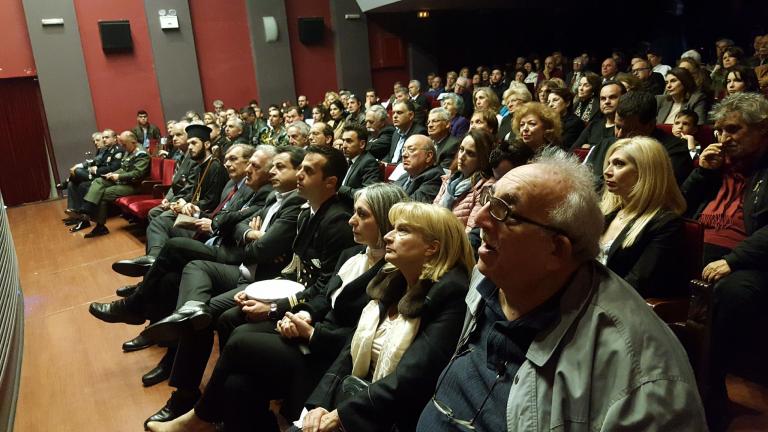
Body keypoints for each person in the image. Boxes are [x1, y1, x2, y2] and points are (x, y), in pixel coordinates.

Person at [416, 149, 706, 431]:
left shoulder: (642, 380)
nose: (480, 219)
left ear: (556, 249)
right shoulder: (489, 271)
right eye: (488, 200)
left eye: (505, 212)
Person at [145, 184, 408, 432]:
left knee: (239, 339)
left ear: (385, 221)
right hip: (312, 331)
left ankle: (198, 417)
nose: (352, 220)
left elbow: (362, 337)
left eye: (362, 214)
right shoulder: (351, 254)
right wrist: (302, 314)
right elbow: (322, 296)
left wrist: (311, 333)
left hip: (330, 356)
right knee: (238, 383)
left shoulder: (394, 273)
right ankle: (218, 414)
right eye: (354, 213)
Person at [294, 202, 474, 432]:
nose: (388, 236)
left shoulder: (450, 295)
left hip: (389, 419)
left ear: (432, 247)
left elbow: (412, 378)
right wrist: (321, 404)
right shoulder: (391, 282)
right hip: (354, 403)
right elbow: (349, 351)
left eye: (402, 230)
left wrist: (341, 416)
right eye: (393, 228)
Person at [680, 93, 768, 431]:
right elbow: (678, 205)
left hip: (747, 260)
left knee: (731, 290)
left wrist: (734, 260)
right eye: (719, 131)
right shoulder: (717, 165)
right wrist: (702, 173)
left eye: (733, 129)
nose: (724, 138)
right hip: (699, 246)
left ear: (762, 129)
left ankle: (709, 391)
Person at [599, 136, 688, 297]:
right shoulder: (608, 212)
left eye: (619, 164)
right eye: (609, 163)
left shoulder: (666, 224)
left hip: (618, 304)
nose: (607, 171)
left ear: (646, 172)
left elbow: (637, 283)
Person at [589, 90, 692, 187]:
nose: (619, 135)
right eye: (617, 126)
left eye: (628, 130)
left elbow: (656, 192)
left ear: (650, 125)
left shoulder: (674, 152)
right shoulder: (605, 144)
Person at [72, 131, 150, 237]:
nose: (123, 147)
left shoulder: (141, 154)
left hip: (135, 185)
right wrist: (113, 174)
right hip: (125, 181)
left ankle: (100, 226)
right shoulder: (129, 150)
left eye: (124, 144)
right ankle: (86, 208)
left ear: (133, 142)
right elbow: (123, 168)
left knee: (103, 193)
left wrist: (118, 176)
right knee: (99, 181)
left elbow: (137, 173)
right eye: (122, 144)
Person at [434, 129, 495, 231]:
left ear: (482, 159)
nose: (461, 156)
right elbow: (432, 213)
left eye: (470, 153)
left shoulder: (486, 188)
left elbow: (470, 232)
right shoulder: (449, 180)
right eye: (461, 149)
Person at [62, 130, 123, 226]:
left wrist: (96, 170)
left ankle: (83, 215)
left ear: (115, 139)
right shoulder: (107, 150)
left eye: (106, 137)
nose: (104, 139)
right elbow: (97, 162)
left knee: (78, 173)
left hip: (107, 178)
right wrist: (93, 168)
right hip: (99, 176)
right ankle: (76, 214)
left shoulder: (118, 150)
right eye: (103, 138)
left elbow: (113, 168)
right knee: (73, 184)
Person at [570, 81, 626, 150]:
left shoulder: (626, 127)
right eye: (603, 98)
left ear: (624, 98)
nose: (607, 102)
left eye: (612, 97)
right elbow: (573, 150)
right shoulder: (593, 125)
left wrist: (591, 147)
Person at [394, 135, 444, 203]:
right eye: (403, 150)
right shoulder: (405, 176)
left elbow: (411, 205)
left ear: (428, 156)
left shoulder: (435, 176)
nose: (404, 154)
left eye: (411, 150)